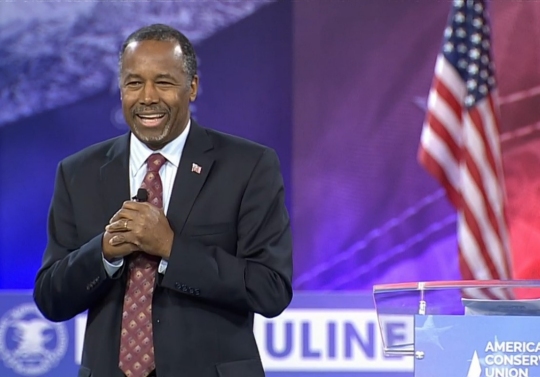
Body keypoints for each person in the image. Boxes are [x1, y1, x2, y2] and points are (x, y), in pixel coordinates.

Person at [33, 23, 293, 377]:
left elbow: (271, 289)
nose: (148, 97)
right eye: (134, 82)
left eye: (164, 82)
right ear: (121, 89)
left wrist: (172, 248)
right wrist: (104, 253)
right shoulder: (78, 172)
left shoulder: (248, 166)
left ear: (193, 88)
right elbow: (51, 297)